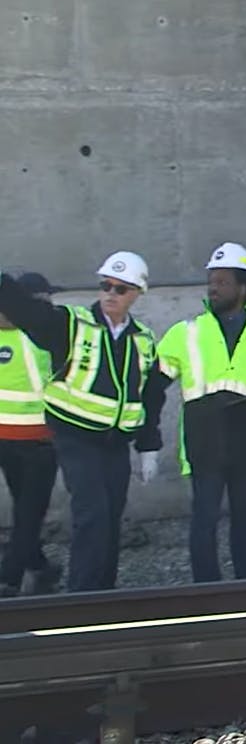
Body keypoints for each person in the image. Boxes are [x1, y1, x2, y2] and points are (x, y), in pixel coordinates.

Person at [0, 254, 163, 592]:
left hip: (115, 443)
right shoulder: (72, 324)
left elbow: (148, 395)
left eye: (121, 288)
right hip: (75, 438)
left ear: (137, 293)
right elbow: (28, 313)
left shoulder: (143, 339)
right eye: (105, 285)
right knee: (92, 516)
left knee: (111, 518)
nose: (111, 293)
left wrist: (149, 445)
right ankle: (82, 599)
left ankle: (103, 593)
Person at [151, 242, 246, 583]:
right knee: (204, 519)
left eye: (222, 281)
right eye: (211, 281)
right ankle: (206, 591)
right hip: (205, 441)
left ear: (243, 288)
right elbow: (154, 384)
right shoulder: (186, 332)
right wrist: (147, 435)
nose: (213, 288)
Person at [0, 273, 62, 596]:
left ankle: (39, 567)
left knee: (23, 505)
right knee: (30, 513)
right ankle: (8, 577)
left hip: (3, 438)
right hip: (39, 438)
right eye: (47, 297)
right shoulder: (38, 339)